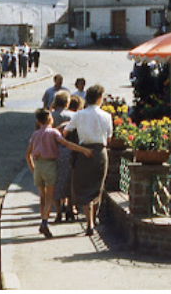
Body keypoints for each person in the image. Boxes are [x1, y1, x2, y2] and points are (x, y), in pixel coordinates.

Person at [28, 108, 92, 238]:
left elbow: (27, 153)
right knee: (50, 197)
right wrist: (83, 150)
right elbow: (67, 144)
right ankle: (44, 223)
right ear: (50, 119)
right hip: (50, 165)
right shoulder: (53, 132)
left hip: (38, 165)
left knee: (42, 196)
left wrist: (33, 168)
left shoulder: (35, 134)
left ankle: (42, 219)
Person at [64, 85, 113, 236]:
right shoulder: (106, 116)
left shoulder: (79, 115)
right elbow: (109, 138)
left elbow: (66, 132)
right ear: (99, 98)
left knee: (83, 186)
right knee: (97, 185)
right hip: (100, 152)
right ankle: (93, 218)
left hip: (84, 152)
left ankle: (89, 221)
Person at [50, 92, 77, 223]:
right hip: (70, 150)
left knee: (56, 180)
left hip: (54, 151)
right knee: (70, 180)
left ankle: (59, 210)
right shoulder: (73, 116)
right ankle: (70, 208)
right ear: (67, 102)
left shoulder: (51, 116)